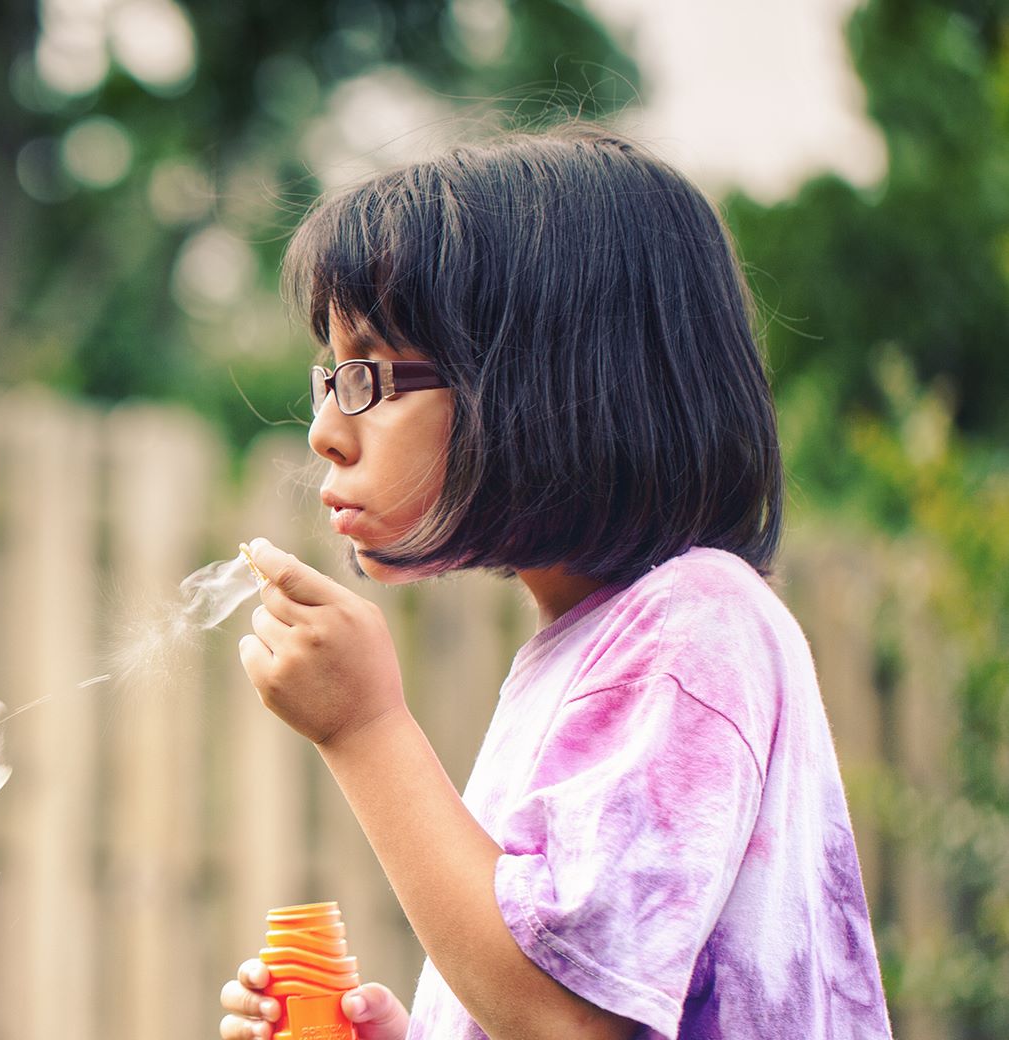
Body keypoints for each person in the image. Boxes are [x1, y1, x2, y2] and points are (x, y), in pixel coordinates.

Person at [218, 126, 894, 1039]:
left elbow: (568, 1018)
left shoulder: (697, 629)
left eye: (368, 375)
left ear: (545, 382)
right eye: (326, 379)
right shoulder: (590, 648)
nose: (326, 431)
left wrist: (364, 730)